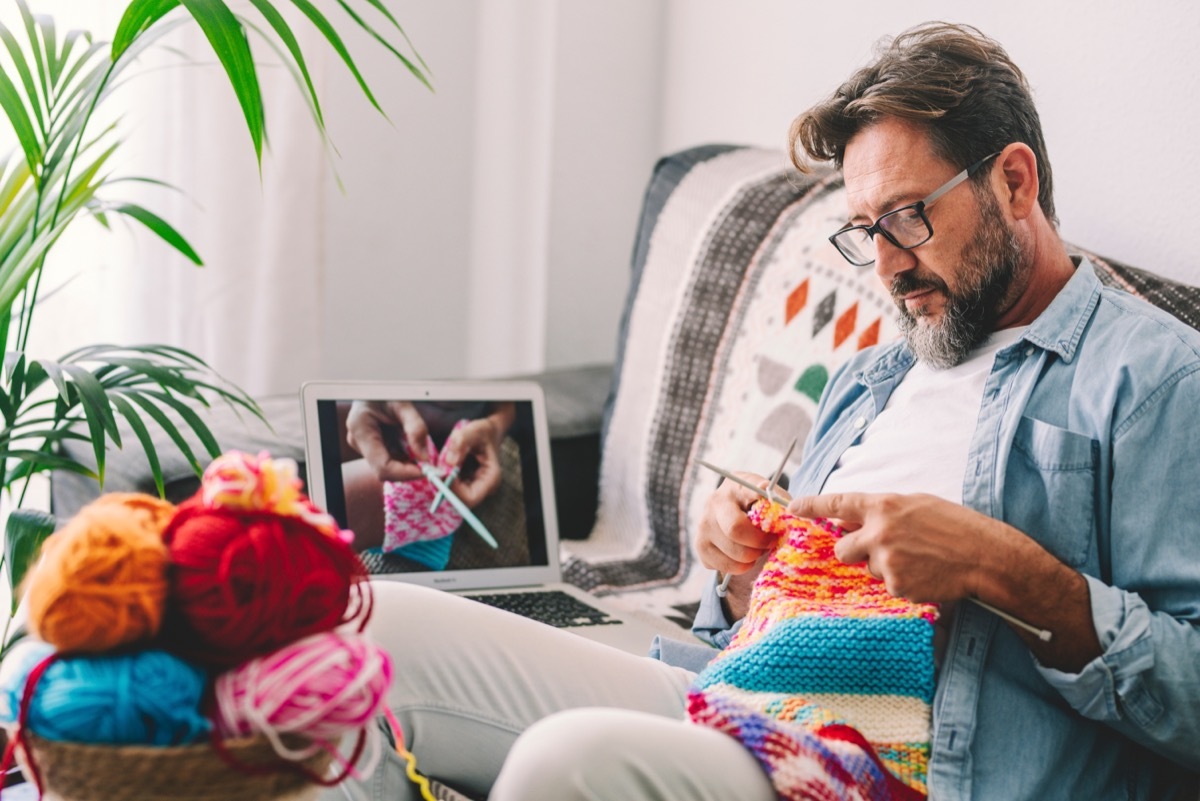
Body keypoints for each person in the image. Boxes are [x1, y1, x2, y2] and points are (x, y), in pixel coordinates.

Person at [323, 22, 1200, 801]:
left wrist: (998, 567)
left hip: (907, 768)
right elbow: (748, 626)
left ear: (1014, 182)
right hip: (749, 699)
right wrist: (741, 567)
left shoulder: (1153, 378)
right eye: (866, 231)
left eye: (907, 218)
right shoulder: (873, 376)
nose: (888, 268)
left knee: (573, 759)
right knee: (368, 628)